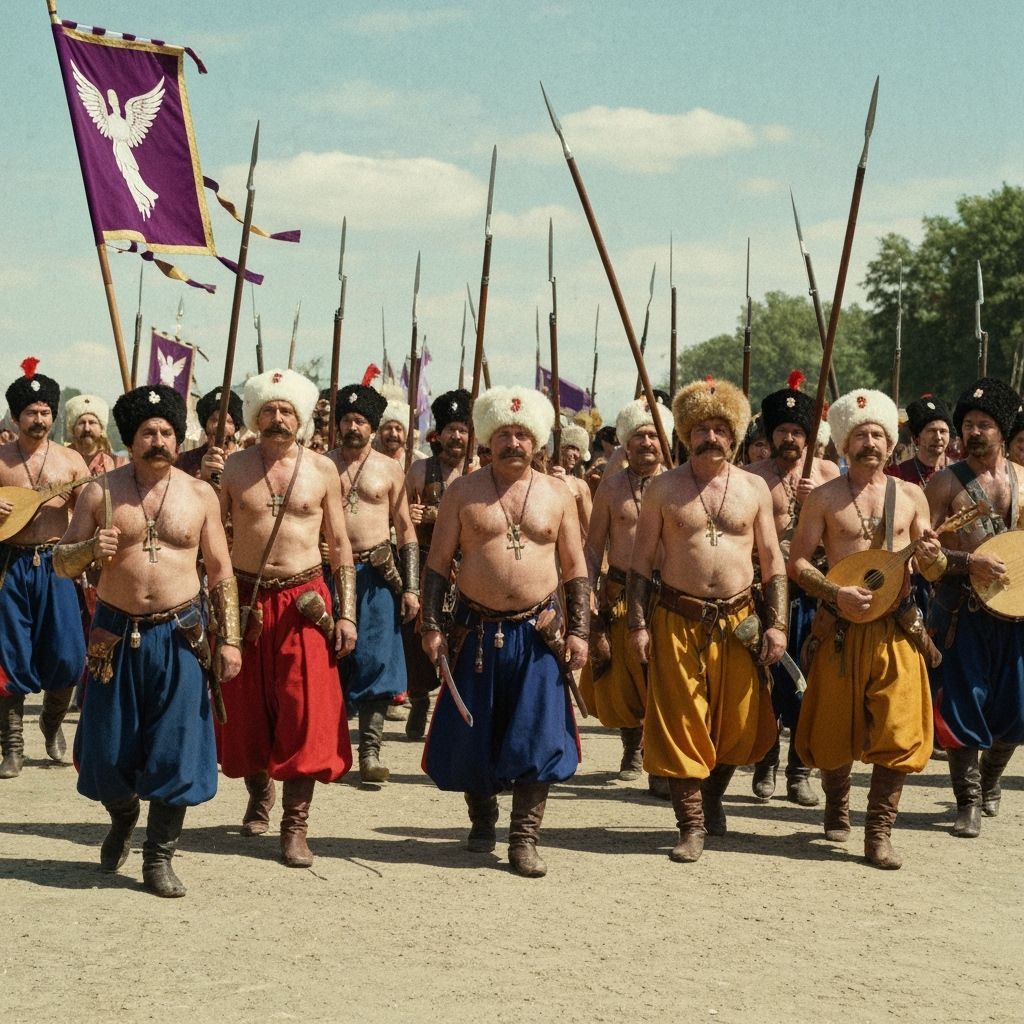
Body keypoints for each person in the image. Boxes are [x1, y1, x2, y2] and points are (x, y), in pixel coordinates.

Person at [55, 384, 242, 897]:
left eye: (166, 432)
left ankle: (158, 857)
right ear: (131, 439)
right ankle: (122, 815)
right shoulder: (100, 491)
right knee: (107, 751)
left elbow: (222, 571)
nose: (157, 440)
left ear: (178, 441)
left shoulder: (200, 493)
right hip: (114, 636)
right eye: (147, 432)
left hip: (182, 635)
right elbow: (62, 562)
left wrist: (230, 641)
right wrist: (93, 546)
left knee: (176, 749)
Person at [421, 385, 590, 878]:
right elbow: (436, 563)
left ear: (536, 441)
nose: (513, 443)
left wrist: (578, 631)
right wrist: (432, 626)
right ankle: (482, 818)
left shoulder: (558, 494)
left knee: (537, 735)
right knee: (478, 731)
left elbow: (576, 567)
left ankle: (524, 838)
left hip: (539, 632)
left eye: (522, 434)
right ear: (487, 441)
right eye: (503, 435)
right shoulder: (463, 492)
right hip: (475, 631)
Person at [627, 376, 786, 864]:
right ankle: (690, 825)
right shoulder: (663, 488)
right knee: (681, 723)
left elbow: (773, 559)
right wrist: (637, 624)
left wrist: (777, 624)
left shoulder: (755, 487)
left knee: (738, 725)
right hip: (677, 618)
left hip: (740, 621)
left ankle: (712, 798)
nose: (711, 436)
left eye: (720, 427)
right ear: (685, 434)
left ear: (735, 434)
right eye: (701, 428)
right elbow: (639, 563)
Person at [790, 388, 939, 870]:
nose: (869, 442)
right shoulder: (825, 499)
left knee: (897, 730)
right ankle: (837, 806)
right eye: (860, 435)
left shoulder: (912, 497)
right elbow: (798, 564)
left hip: (897, 628)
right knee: (834, 729)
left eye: (877, 434)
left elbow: (930, 568)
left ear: (891, 443)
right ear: (843, 443)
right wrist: (835, 594)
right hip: (839, 629)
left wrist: (934, 558)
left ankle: (879, 832)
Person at [215, 368, 357, 868]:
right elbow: (209, 542)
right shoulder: (232, 468)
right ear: (256, 416)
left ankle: (295, 826)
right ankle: (259, 793)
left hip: (305, 602)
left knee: (306, 714)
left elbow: (340, 546)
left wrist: (348, 616)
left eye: (287, 411)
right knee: (247, 714)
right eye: (270, 410)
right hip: (247, 600)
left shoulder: (321, 470)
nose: (278, 418)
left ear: (301, 418)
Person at [923, 378, 1024, 838]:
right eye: (968, 424)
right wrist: (969, 560)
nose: (975, 432)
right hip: (961, 609)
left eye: (985, 424)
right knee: (962, 704)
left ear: (1003, 431)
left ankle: (989, 780)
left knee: (1017, 707)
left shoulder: (1023, 480)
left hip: (1015, 613)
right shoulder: (945, 481)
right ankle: (967, 802)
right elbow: (922, 552)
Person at [744, 371, 839, 806]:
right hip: (763, 593)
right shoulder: (750, 476)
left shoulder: (828, 473)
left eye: (797, 431)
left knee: (807, 683)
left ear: (808, 436)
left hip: (811, 593)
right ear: (770, 434)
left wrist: (821, 495)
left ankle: (800, 770)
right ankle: (766, 761)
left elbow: (841, 526)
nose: (789, 438)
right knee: (766, 682)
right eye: (781, 430)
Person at [0, 359, 89, 779]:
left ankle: (52, 724)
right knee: (8, 656)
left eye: (45, 412)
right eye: (31, 412)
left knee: (70, 656)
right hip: (10, 567)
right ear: (16, 417)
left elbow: (90, 514)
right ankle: (12, 747)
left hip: (56, 566)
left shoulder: (71, 461)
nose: (39, 419)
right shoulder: (0, 458)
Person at [329, 379, 419, 784]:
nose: (353, 427)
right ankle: (332, 749)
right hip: (327, 571)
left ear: (372, 426)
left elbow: (406, 530)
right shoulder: (320, 466)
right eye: (346, 419)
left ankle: (370, 752)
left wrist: (412, 587)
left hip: (377, 575)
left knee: (378, 659)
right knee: (329, 659)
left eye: (360, 421)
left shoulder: (389, 469)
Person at [579, 397, 672, 786]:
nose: (647, 443)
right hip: (619, 592)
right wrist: (583, 593)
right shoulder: (611, 488)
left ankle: (658, 756)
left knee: (664, 677)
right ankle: (632, 746)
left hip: (666, 593)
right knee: (626, 677)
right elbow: (593, 545)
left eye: (653, 435)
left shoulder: (679, 484)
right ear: (625, 444)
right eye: (638, 437)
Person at [403, 388, 473, 740]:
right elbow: (402, 521)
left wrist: (435, 513)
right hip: (429, 564)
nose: (456, 436)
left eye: (463, 429)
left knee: (461, 640)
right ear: (439, 433)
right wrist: (414, 517)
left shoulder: (480, 472)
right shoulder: (420, 470)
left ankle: (452, 708)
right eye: (451, 429)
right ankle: (418, 698)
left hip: (469, 570)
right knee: (418, 640)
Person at [886, 394, 955, 487]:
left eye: (943, 431)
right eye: (931, 431)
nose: (938, 437)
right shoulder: (897, 475)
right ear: (916, 439)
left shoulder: (959, 472)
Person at [176, 387, 242, 480]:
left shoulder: (247, 462)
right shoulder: (183, 462)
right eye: (214, 420)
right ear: (205, 424)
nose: (220, 426)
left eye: (228, 421)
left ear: (236, 427)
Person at [552, 422, 593, 540]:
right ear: (560, 449)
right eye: (571, 448)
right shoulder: (544, 477)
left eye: (577, 450)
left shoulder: (581, 485)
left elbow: (590, 527)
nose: (574, 454)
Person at [65, 394, 122, 475]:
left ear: (102, 429)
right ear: (72, 430)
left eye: (92, 422)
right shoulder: (61, 459)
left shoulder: (117, 464)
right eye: (81, 423)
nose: (87, 428)